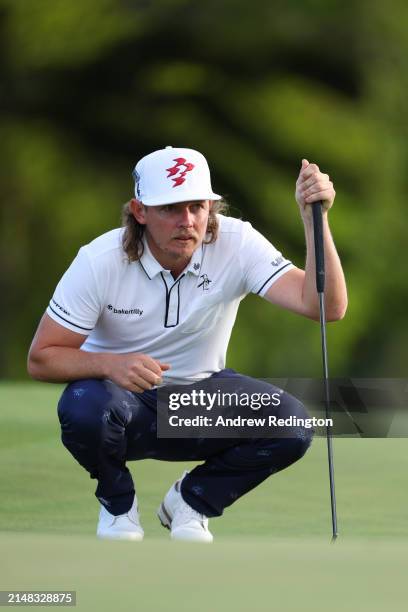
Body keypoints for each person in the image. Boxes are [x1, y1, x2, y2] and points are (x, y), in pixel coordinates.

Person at [27, 146, 347, 542]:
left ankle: (191, 502)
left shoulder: (237, 242)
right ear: (140, 211)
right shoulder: (99, 260)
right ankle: (117, 505)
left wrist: (315, 220)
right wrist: (111, 365)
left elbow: (326, 306)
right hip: (124, 409)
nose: (188, 221)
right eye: (171, 208)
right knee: (84, 407)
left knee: (291, 423)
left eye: (198, 207)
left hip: (199, 408)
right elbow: (42, 358)